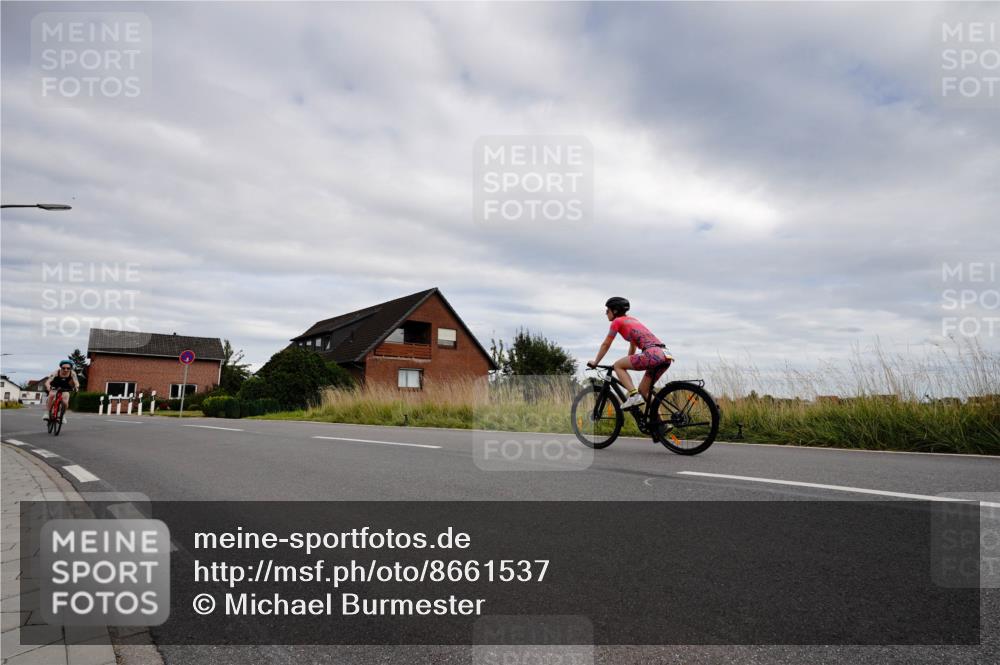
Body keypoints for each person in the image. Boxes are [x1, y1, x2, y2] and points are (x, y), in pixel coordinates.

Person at [587, 297, 672, 409]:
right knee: (643, 391)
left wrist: (596, 362)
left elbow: (606, 344)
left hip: (652, 354)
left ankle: (634, 395)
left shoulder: (617, 321)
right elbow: (633, 346)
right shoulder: (633, 320)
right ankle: (660, 425)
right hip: (665, 354)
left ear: (615, 311)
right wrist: (626, 364)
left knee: (617, 365)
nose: (606, 313)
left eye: (607, 310)